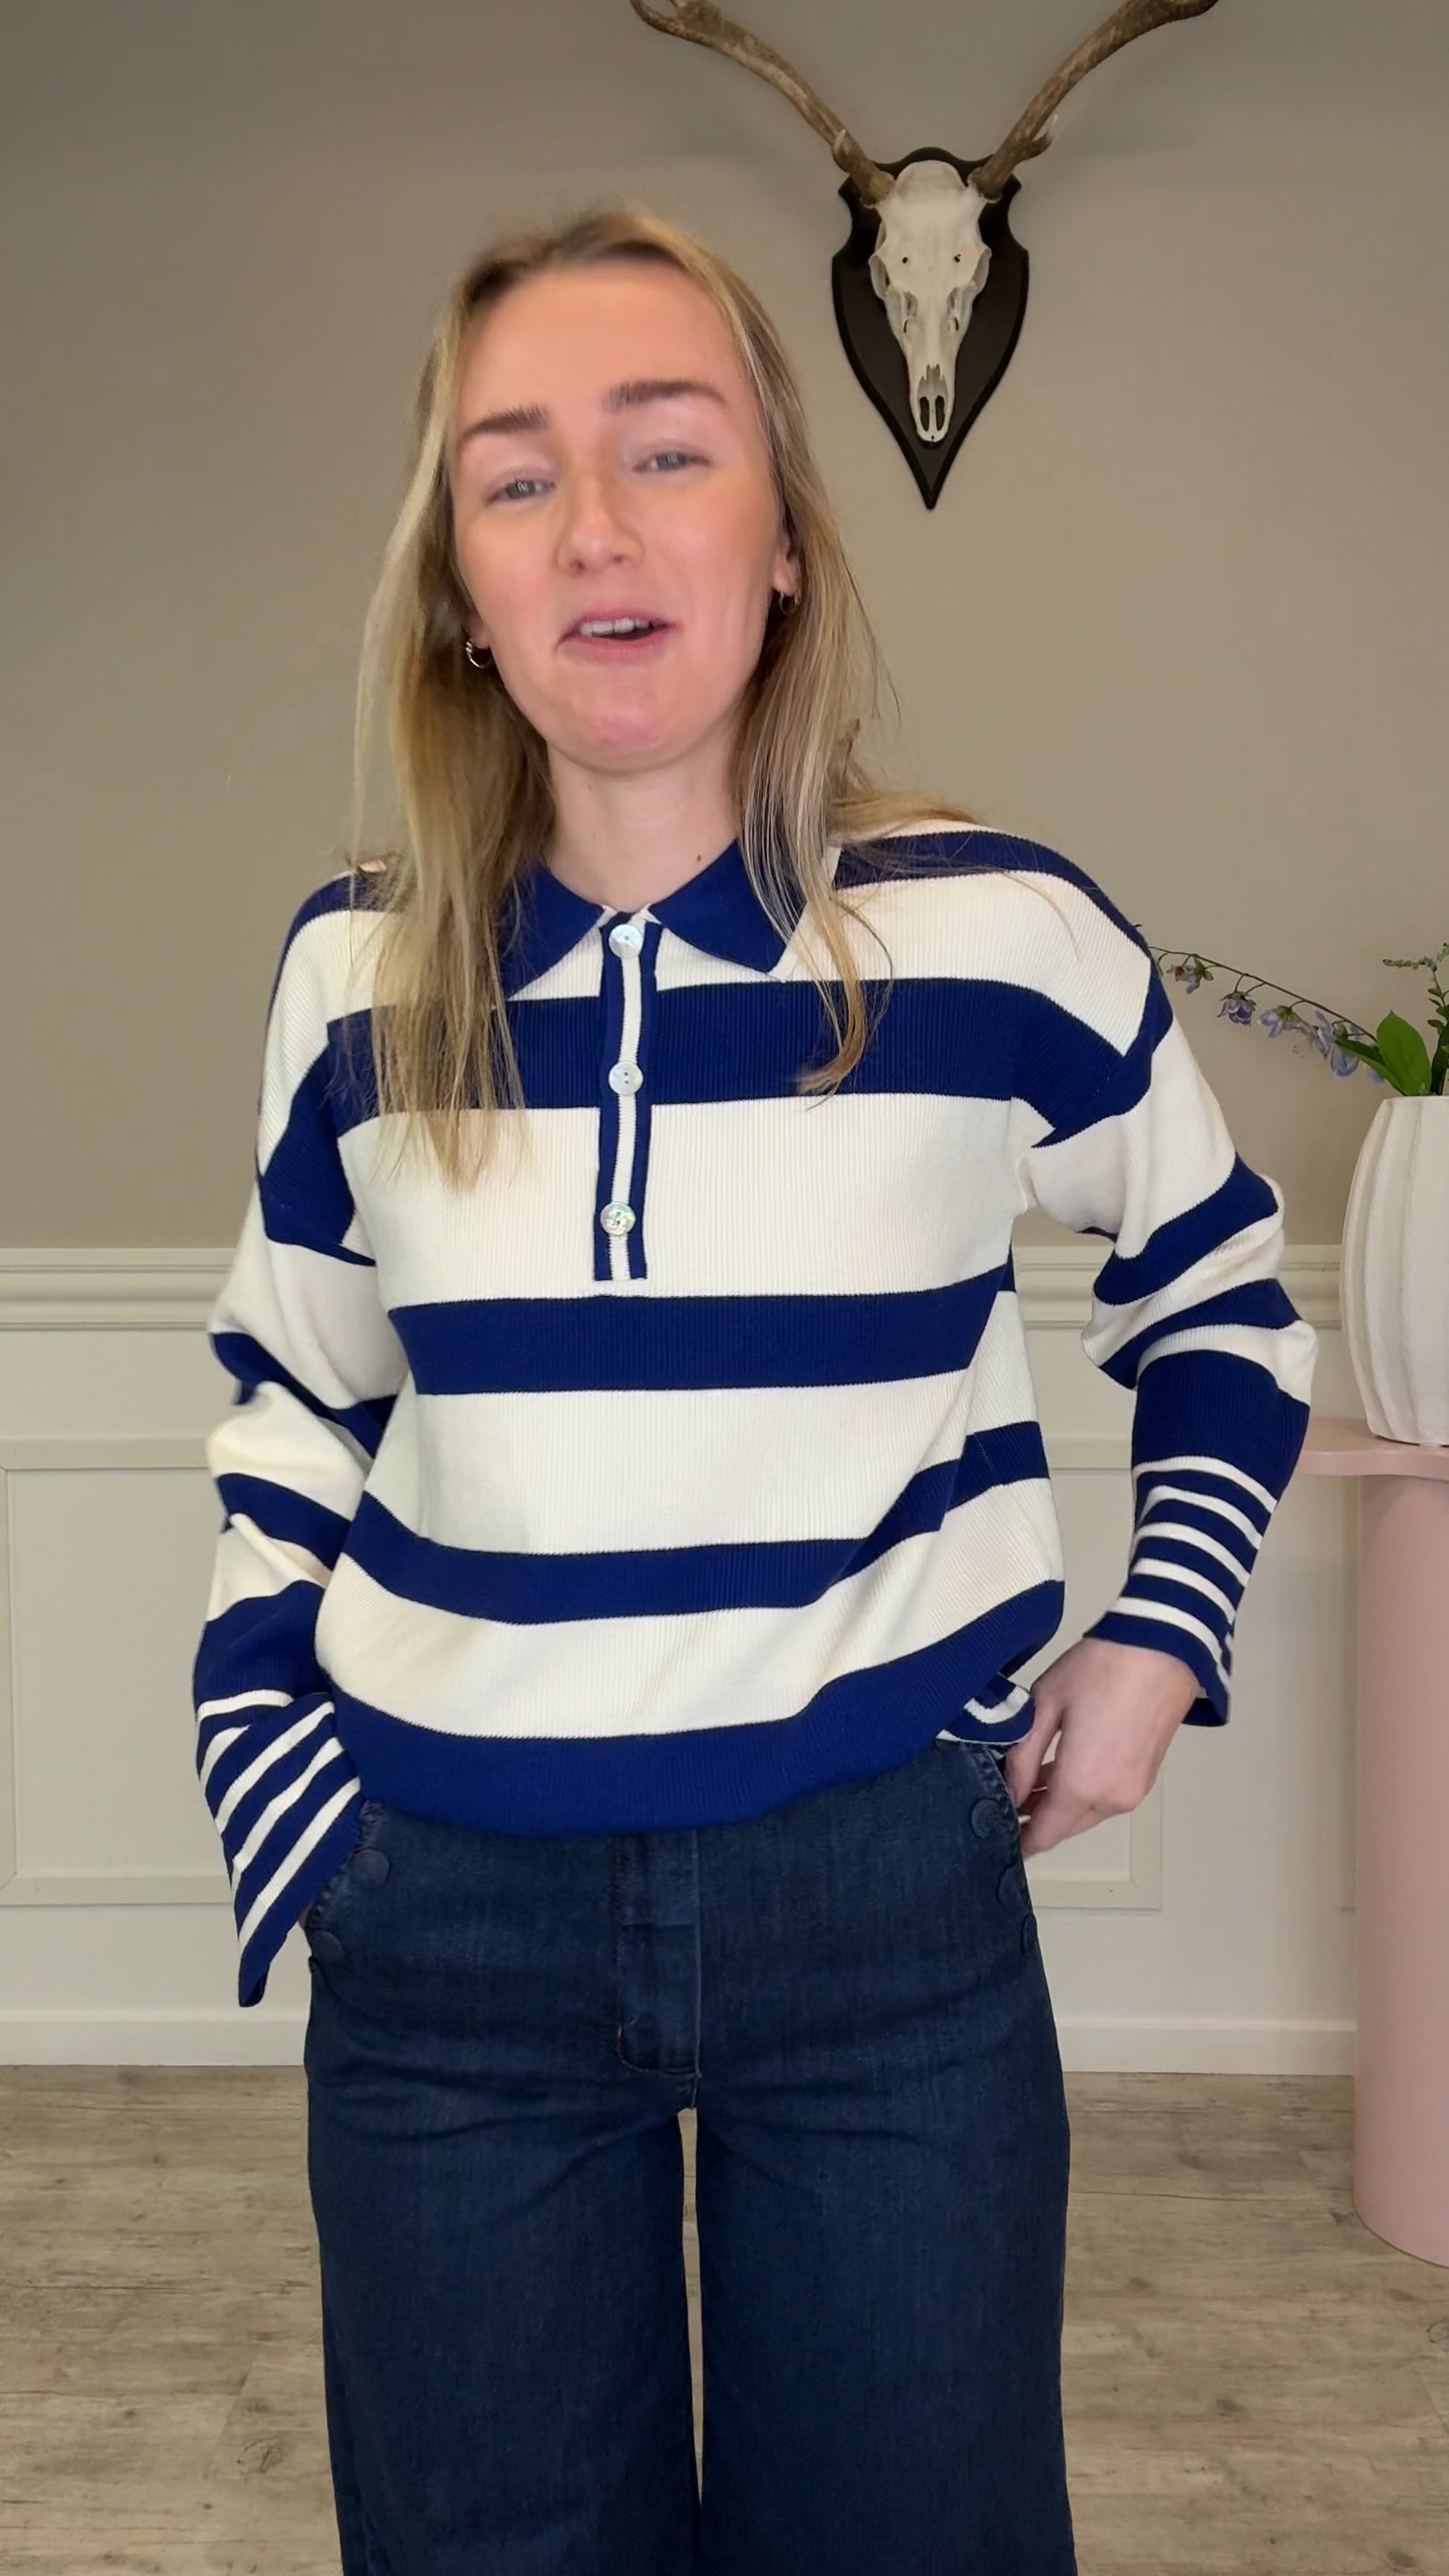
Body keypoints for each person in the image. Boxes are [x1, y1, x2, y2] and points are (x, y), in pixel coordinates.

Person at [191, 205, 1318, 2575]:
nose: (592, 525)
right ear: (457, 586)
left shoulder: (995, 935)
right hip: (445, 1920)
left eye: (665, 449)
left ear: (783, 539)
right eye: (514, 477)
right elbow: (295, 1391)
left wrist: (1157, 1642)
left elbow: (1221, 1289)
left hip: (881, 1908)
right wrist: (270, 1768)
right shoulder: (352, 974)